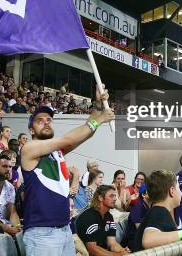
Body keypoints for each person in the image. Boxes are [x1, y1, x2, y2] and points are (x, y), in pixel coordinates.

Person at [20, 88, 114, 256]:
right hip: (42, 233)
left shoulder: (57, 152)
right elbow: (70, 138)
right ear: (31, 131)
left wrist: (98, 105)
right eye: (40, 121)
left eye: (49, 119)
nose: (46, 122)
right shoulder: (29, 149)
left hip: (64, 229)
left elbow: (84, 134)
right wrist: (99, 121)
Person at [133, 171, 182, 251]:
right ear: (172, 191)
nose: (181, 193)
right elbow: (148, 240)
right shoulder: (159, 212)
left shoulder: (157, 211)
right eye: (179, 188)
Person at [75, 185, 130, 255]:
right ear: (100, 198)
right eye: (111, 196)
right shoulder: (90, 217)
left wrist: (123, 251)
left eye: (115, 196)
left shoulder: (109, 216)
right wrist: (115, 255)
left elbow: (112, 243)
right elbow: (92, 248)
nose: (115, 199)